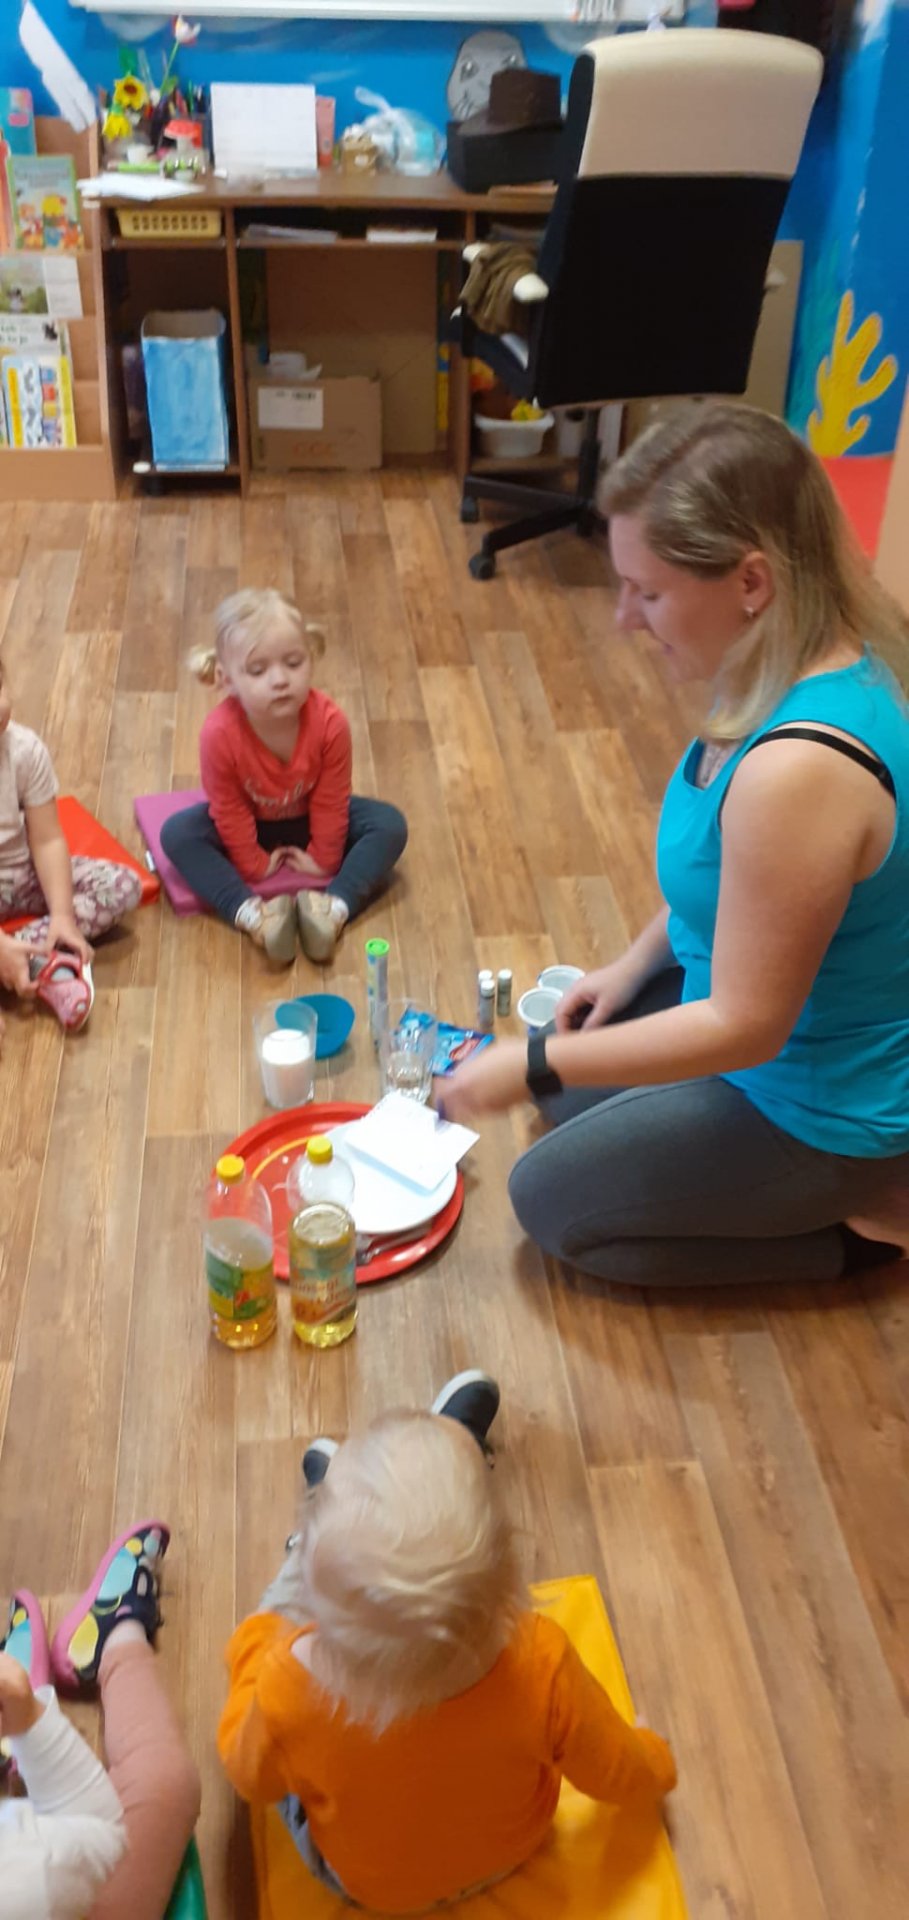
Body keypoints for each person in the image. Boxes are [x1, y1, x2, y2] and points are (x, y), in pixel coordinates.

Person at [442, 404, 909, 1286]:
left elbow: (746, 1028)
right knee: (563, 1088)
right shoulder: (774, 666)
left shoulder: (798, 770)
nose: (623, 618)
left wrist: (530, 1062)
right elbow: (729, 878)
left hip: (813, 1105)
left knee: (548, 1201)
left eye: (647, 592)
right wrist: (632, 964)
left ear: (750, 581)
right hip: (749, 1002)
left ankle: (864, 1233)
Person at [218, 1371, 676, 1914]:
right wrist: (656, 1757)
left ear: (324, 1624)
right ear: (508, 1578)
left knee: (277, 1612)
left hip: (371, 1890)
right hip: (511, 1851)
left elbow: (249, 1777)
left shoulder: (287, 1688)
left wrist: (258, 1646)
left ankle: (320, 1522)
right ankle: (448, 1462)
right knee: (422, 1514)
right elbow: (616, 1766)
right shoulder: (539, 1660)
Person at [160, 589, 407, 966]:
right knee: (177, 835)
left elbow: (331, 798)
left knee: (389, 825)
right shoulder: (218, 734)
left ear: (310, 659)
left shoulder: (331, 723)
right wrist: (252, 865)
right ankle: (254, 917)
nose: (279, 679)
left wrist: (324, 859)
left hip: (308, 819)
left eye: (293, 663)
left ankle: (332, 910)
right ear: (227, 679)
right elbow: (228, 809)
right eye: (258, 671)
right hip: (250, 824)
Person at [0, 1520, 201, 1920]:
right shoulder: (23, 1882)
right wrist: (32, 1721)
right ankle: (114, 1636)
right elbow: (96, 1836)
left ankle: (15, 1736)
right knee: (165, 1780)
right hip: (54, 1882)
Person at [0, 658, 142, 1041]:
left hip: (22, 873)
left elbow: (47, 838)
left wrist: (62, 915)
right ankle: (38, 965)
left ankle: (27, 955)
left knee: (123, 885)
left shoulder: (23, 750)